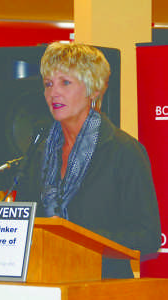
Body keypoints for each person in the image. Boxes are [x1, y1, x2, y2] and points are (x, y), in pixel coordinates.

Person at [16, 42, 161, 279]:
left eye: (65, 83)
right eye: (48, 84)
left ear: (93, 90)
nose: (54, 93)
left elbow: (147, 237)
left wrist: (77, 237)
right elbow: (24, 223)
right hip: (46, 280)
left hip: (103, 286)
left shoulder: (122, 151)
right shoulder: (39, 152)